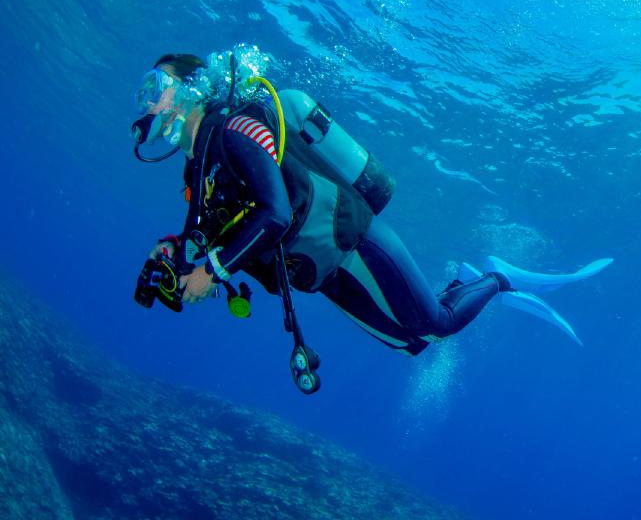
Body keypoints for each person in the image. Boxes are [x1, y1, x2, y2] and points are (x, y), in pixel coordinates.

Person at [131, 50, 610, 364]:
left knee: (435, 327)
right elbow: (219, 232)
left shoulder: (234, 130)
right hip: (324, 272)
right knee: (412, 344)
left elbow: (274, 214)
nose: (149, 104)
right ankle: (462, 281)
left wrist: (211, 271)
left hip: (352, 241)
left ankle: (498, 277)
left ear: (192, 87)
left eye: (157, 88)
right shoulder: (200, 170)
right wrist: (175, 251)